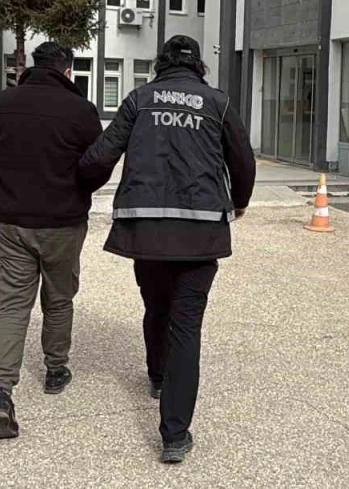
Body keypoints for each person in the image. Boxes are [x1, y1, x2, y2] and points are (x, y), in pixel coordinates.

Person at [79, 35, 255, 464]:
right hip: (200, 234)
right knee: (186, 327)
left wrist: (75, 184)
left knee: (156, 306)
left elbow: (100, 156)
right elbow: (243, 161)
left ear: (161, 64)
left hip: (147, 231)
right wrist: (240, 201)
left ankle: (158, 376)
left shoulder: (139, 99)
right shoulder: (217, 103)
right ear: (199, 67)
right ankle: (175, 435)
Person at [0, 42, 105, 440]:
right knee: (59, 298)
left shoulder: (0, 103)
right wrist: (78, 189)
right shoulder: (81, 110)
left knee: (12, 305)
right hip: (62, 221)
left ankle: (1, 391)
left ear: (33, 67)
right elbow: (97, 164)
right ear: (68, 71)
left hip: (10, 220)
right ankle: (55, 369)